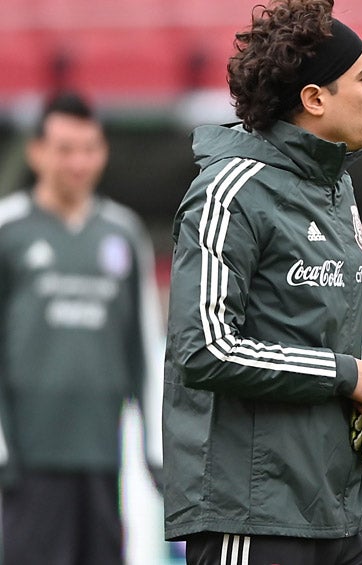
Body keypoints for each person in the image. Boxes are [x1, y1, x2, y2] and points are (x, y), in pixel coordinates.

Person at [161, 0, 362, 563]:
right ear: (315, 99)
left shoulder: (337, 189)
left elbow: (311, 342)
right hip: (253, 515)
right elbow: (205, 348)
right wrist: (345, 376)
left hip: (341, 512)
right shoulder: (229, 191)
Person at [0, 92, 164, 565]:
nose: (78, 161)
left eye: (89, 148)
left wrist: (152, 447)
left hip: (100, 454)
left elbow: (142, 348)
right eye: (65, 148)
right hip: (28, 459)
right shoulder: (9, 230)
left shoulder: (122, 233)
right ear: (36, 153)